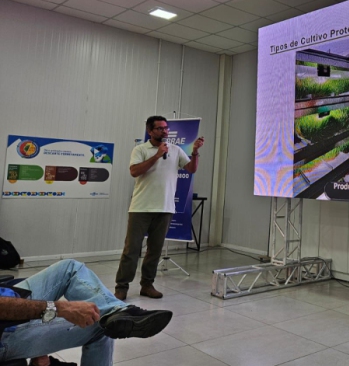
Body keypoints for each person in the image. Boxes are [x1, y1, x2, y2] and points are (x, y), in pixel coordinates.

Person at [0, 259, 173, 365]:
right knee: (100, 321)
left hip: (6, 295)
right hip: (4, 332)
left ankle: (119, 310)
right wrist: (58, 308)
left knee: (69, 268)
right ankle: (115, 314)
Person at [114, 116, 204, 300]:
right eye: (160, 128)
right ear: (150, 131)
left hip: (165, 208)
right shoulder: (140, 149)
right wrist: (156, 155)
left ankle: (147, 285)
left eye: (166, 128)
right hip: (141, 208)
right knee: (132, 249)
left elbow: (191, 169)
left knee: (155, 250)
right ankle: (121, 286)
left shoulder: (176, 149)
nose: (165, 131)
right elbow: (134, 171)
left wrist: (194, 152)